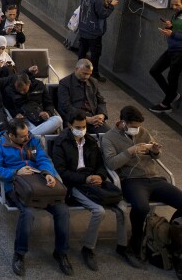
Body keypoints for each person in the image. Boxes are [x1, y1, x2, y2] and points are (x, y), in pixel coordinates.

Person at [102, 106, 182, 264]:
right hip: (132, 180)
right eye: (133, 126)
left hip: (154, 178)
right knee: (142, 208)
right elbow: (111, 164)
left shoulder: (143, 132)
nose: (136, 129)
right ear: (123, 123)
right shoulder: (109, 138)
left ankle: (168, 235)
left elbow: (156, 155)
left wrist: (155, 150)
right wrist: (130, 151)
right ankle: (137, 238)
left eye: (138, 126)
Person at [0, 118, 73, 277]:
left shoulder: (32, 141)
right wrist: (15, 172)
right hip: (17, 186)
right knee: (27, 213)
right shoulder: (0, 145)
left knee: (62, 211)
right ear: (11, 135)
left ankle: (61, 252)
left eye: (27, 134)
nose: (26, 138)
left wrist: (48, 173)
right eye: (22, 136)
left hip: (39, 184)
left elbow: (43, 159)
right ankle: (19, 254)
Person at [51, 111, 130, 271]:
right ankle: (88, 248)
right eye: (78, 127)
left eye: (84, 127)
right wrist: (84, 179)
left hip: (94, 181)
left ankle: (123, 246)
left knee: (122, 208)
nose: (81, 130)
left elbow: (101, 164)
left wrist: (100, 176)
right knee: (99, 211)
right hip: (75, 184)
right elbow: (61, 171)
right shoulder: (61, 143)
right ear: (69, 126)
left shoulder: (91, 141)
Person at [77, 0, 120, 82]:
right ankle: (94, 73)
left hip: (83, 28)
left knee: (82, 51)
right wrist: (111, 6)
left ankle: (79, 70)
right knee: (95, 54)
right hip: (93, 32)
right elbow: (103, 14)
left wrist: (104, 3)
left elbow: (91, 8)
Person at [57, 59, 109, 134]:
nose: (87, 77)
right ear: (76, 69)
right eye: (84, 73)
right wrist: (86, 119)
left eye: (89, 74)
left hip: (93, 117)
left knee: (109, 135)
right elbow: (65, 106)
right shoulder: (65, 83)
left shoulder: (93, 82)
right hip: (75, 118)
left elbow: (101, 101)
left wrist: (102, 115)